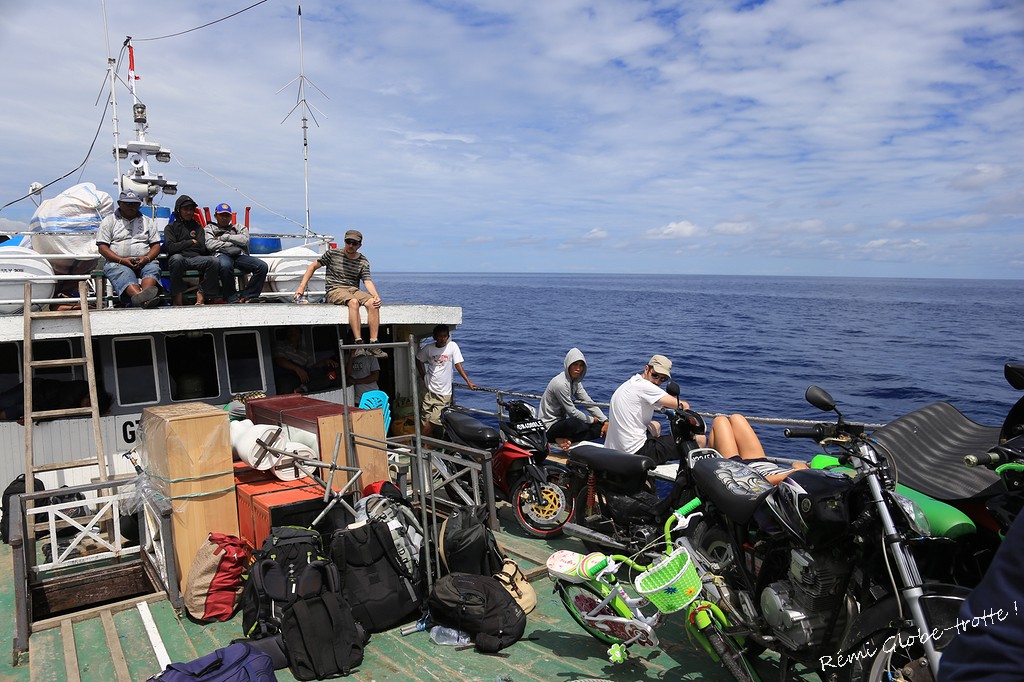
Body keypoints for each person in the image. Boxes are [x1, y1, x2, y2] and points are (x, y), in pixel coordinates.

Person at [293, 230, 386, 358]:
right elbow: (313, 267)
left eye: (354, 243)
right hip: (334, 289)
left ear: (359, 245)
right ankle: (359, 343)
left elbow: (367, 281)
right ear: (345, 241)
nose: (351, 245)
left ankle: (374, 344)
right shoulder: (332, 254)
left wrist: (376, 296)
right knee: (353, 302)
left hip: (353, 289)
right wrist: (301, 286)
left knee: (373, 303)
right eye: (348, 242)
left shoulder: (363, 261)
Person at [605, 354, 698, 464]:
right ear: (646, 368)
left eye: (663, 379)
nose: (657, 382)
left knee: (656, 425)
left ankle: (650, 475)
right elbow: (683, 405)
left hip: (613, 448)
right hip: (635, 451)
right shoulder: (646, 386)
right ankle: (687, 477)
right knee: (698, 439)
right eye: (655, 375)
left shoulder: (631, 383)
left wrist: (659, 407)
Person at [95, 189, 162, 308]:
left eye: (135, 204)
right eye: (127, 203)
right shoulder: (109, 221)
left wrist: (146, 259)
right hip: (117, 262)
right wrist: (122, 260)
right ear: (119, 203)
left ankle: (144, 297)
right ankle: (145, 300)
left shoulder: (147, 221)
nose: (131, 206)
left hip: (144, 260)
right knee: (123, 273)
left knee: (152, 268)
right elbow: (102, 247)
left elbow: (156, 245)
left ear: (139, 204)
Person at [707, 413, 809, 484]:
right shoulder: (802, 479)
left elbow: (761, 482)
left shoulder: (789, 488)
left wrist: (791, 474)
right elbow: (798, 464)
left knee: (720, 420)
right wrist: (801, 470)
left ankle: (706, 471)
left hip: (742, 472)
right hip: (763, 464)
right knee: (737, 418)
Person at [538, 348, 608, 450]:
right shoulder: (560, 383)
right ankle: (551, 438)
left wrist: (605, 420)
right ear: (568, 365)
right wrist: (592, 420)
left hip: (561, 423)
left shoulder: (575, 382)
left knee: (599, 428)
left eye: (581, 366)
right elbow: (572, 411)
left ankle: (563, 439)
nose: (578, 369)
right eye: (575, 365)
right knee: (575, 423)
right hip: (548, 426)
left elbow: (588, 402)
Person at [415, 324, 477, 437]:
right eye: (440, 336)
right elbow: (418, 359)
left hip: (444, 392)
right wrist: (423, 375)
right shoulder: (429, 348)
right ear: (435, 337)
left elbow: (458, 365)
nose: (443, 339)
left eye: (445, 336)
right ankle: (427, 444)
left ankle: (419, 442)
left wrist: (468, 381)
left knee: (435, 420)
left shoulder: (452, 346)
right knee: (425, 417)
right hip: (429, 389)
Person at [204, 202, 268, 303]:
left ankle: (248, 295)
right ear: (215, 216)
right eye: (221, 215)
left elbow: (245, 240)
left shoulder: (239, 227)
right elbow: (210, 244)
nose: (224, 218)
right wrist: (232, 244)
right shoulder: (209, 228)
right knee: (225, 266)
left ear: (231, 216)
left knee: (262, 266)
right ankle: (231, 297)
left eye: (227, 215)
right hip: (221, 254)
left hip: (238, 255)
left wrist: (225, 238)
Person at [163, 195, 218, 306]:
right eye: (185, 209)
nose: (189, 212)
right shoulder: (170, 227)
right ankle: (177, 298)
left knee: (214, 261)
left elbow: (201, 247)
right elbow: (170, 247)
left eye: (191, 209)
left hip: (196, 258)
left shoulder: (197, 227)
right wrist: (190, 242)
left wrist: (180, 245)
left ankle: (201, 293)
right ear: (178, 210)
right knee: (176, 259)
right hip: (179, 259)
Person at [0, 379, 112, 424]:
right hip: (36, 388)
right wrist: (36, 416)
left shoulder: (77, 408)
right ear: (89, 395)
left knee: (14, 411)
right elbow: (61, 407)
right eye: (88, 403)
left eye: (89, 408)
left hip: (38, 404)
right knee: (5, 401)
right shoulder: (80, 388)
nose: (86, 406)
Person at [271, 326, 339, 394]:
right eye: (290, 331)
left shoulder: (304, 352)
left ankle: (303, 388)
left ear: (300, 334)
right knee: (284, 384)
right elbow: (279, 360)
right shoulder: (280, 345)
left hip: (303, 377)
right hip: (288, 375)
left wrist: (324, 362)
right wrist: (297, 369)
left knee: (327, 379)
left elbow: (312, 368)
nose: (292, 333)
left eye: (295, 330)